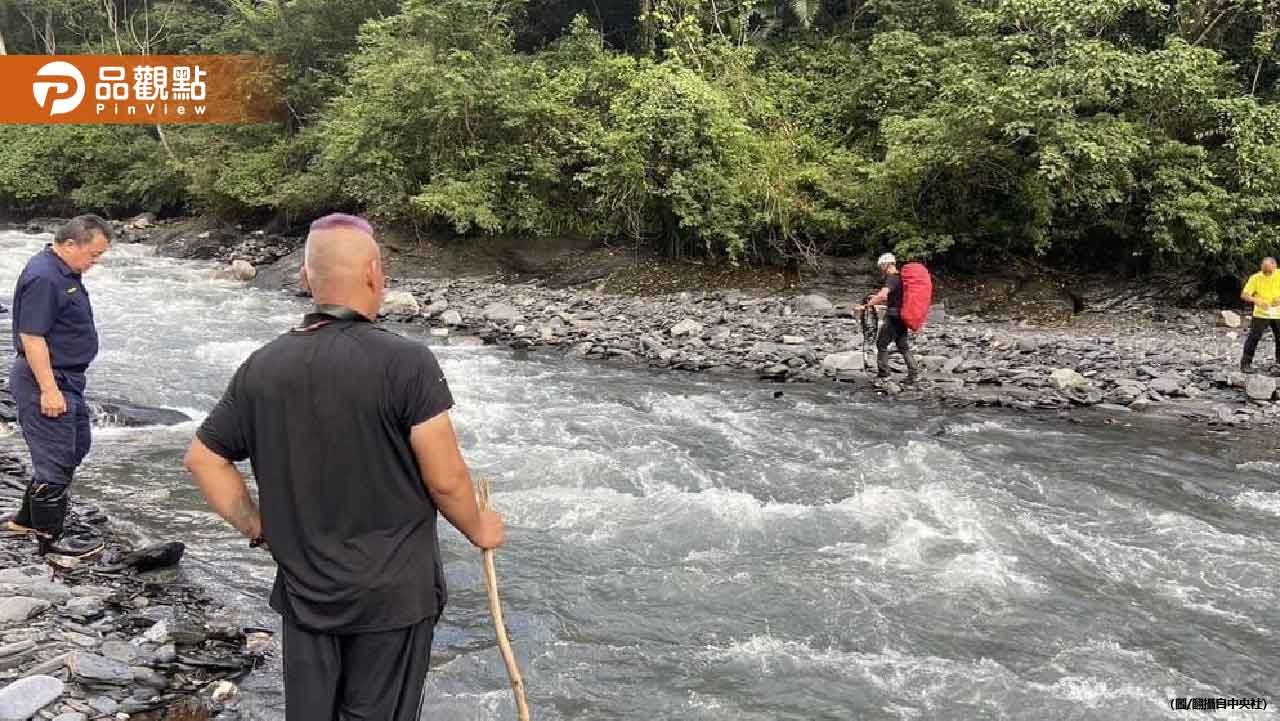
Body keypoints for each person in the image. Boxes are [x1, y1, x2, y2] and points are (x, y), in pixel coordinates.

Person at [183, 213, 504, 721]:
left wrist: (257, 526)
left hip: (306, 593)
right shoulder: (407, 363)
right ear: (376, 274)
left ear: (305, 278)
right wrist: (480, 527)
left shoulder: (263, 366)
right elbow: (445, 481)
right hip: (392, 599)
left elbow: (203, 459)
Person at [6, 215, 112, 556]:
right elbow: (32, 337)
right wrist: (49, 390)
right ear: (69, 245)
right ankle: (51, 541)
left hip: (67, 378)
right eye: (94, 254)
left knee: (76, 446)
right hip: (46, 379)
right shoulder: (45, 277)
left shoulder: (64, 271)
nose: (96, 262)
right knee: (56, 460)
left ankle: (26, 520)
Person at [858, 253, 917, 384]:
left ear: (886, 265)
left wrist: (867, 305)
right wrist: (875, 299)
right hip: (902, 316)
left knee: (881, 344)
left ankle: (884, 374)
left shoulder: (891, 278)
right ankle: (913, 373)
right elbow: (893, 298)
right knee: (903, 346)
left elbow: (883, 295)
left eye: (881, 266)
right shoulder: (901, 278)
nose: (881, 269)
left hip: (893, 317)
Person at [1241, 256, 1280, 373]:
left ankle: (1278, 364)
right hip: (1261, 313)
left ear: (1275, 266)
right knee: (1253, 337)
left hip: (1278, 313)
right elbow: (1244, 295)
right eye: (1264, 269)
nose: (1266, 273)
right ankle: (1245, 364)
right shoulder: (1255, 278)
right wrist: (1256, 300)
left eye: (1269, 270)